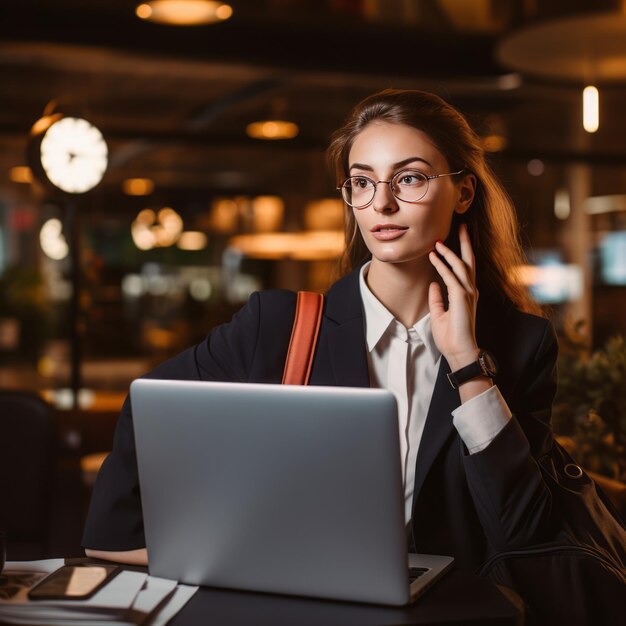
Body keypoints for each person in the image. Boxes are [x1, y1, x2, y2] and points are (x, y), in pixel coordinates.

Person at [83, 89, 558, 575]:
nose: (383, 204)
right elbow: (148, 408)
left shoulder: (521, 344)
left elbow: (523, 535)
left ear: (463, 192)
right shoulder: (275, 326)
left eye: (410, 178)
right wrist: (170, 551)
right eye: (362, 182)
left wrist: (465, 361)